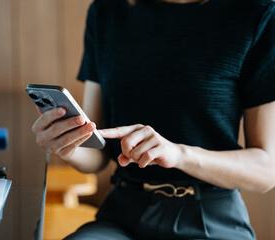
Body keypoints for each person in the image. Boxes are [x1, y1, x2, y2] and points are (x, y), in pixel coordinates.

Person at [32, 0, 275, 238]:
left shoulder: (257, 14)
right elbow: (98, 152)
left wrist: (179, 155)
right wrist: (69, 144)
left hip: (210, 219)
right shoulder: (107, 11)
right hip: (124, 215)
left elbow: (266, 170)